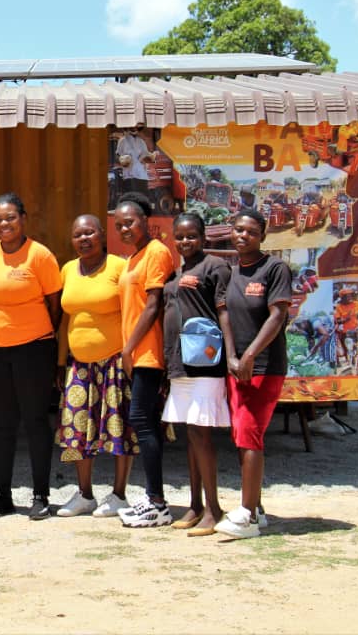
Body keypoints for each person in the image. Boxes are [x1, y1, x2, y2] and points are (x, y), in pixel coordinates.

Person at [0, 192, 62, 520]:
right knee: (1, 422)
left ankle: (41, 495)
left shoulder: (40, 255)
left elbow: (55, 306)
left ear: (23, 218)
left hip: (34, 348)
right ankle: (2, 496)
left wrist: (40, 337)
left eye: (10, 217)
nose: (4, 224)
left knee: (36, 420)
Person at [53, 214, 138, 518]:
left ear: (102, 235)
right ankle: (85, 494)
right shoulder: (67, 270)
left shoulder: (120, 267)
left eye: (89, 232)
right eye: (78, 234)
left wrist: (130, 356)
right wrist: (62, 362)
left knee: (119, 428)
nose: (84, 239)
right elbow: (66, 320)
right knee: (76, 427)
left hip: (115, 361)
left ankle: (119, 495)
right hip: (79, 364)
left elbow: (133, 312)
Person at [216, 210, 291, 539]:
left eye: (250, 231)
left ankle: (245, 515)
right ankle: (257, 510)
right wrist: (232, 357)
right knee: (242, 436)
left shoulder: (274, 269)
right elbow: (226, 317)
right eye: (237, 230)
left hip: (264, 367)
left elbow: (277, 316)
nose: (241, 236)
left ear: (262, 235)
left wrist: (249, 356)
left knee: (250, 435)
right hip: (237, 367)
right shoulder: (231, 273)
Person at [160, 213, 231, 536]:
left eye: (191, 236)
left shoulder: (214, 267)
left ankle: (214, 509)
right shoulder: (177, 272)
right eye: (180, 237)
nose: (185, 242)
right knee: (190, 437)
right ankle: (195, 504)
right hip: (179, 365)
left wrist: (231, 356)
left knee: (202, 435)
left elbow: (224, 311)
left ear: (203, 237)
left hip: (205, 364)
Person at [113, 192, 175, 528]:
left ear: (145, 222)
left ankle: (157, 502)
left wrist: (128, 348)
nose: (124, 228)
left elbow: (154, 304)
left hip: (149, 353)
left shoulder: (156, 252)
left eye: (130, 222)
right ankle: (154, 497)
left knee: (142, 420)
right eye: (119, 224)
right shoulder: (133, 257)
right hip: (136, 354)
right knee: (145, 421)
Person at [115, 124, 156, 196]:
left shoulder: (141, 142)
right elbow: (117, 156)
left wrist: (149, 158)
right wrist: (122, 160)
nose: (134, 128)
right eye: (132, 126)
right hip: (129, 176)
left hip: (142, 176)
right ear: (128, 127)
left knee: (142, 198)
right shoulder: (122, 141)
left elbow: (146, 156)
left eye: (136, 127)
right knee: (131, 198)